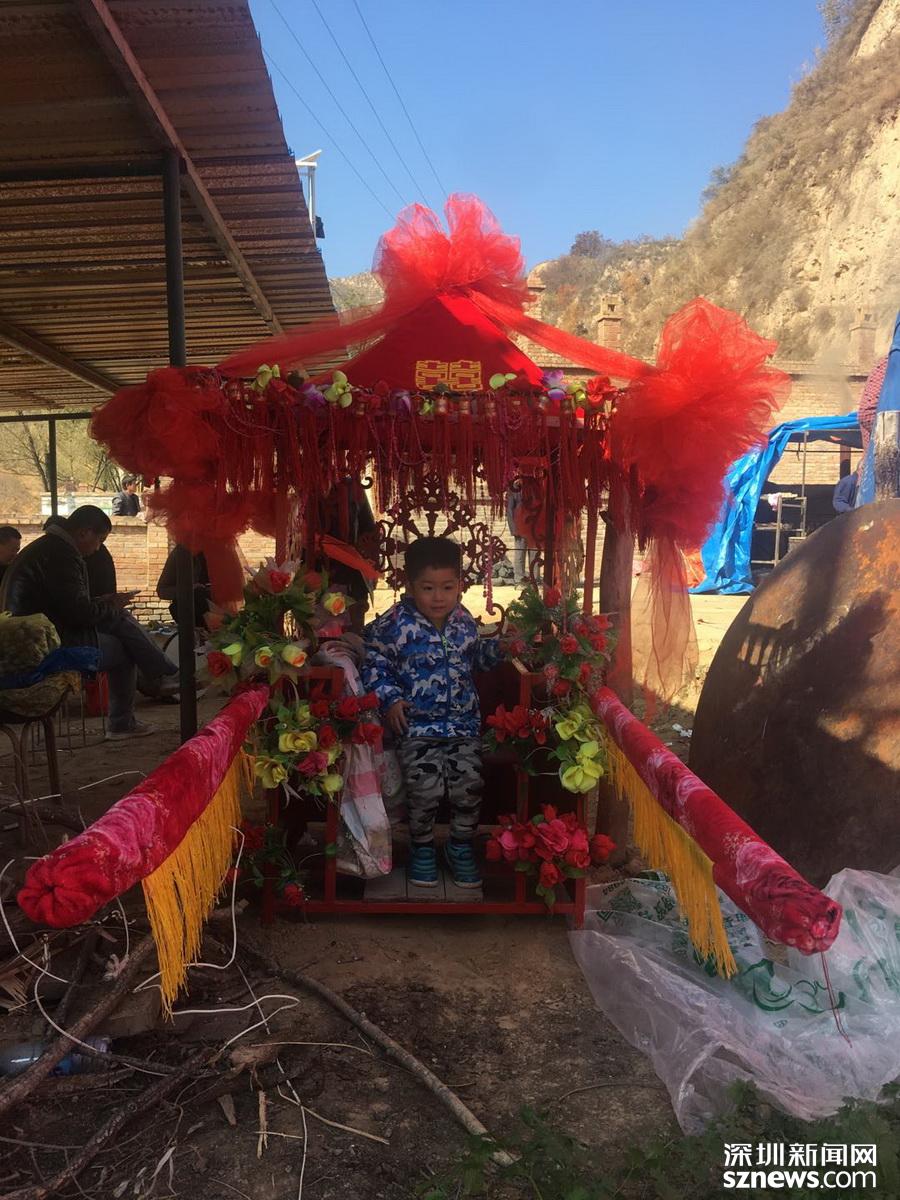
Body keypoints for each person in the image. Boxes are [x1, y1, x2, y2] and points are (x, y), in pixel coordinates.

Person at [362, 537, 502, 889]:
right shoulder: (394, 625)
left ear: (459, 585)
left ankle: (460, 846)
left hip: (463, 726)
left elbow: (476, 659)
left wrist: (502, 648)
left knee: (468, 789)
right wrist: (390, 700)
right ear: (410, 586)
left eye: (447, 587)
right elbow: (374, 664)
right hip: (417, 728)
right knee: (424, 791)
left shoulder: (464, 621)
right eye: (428, 588)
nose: (438, 597)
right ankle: (422, 847)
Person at [0, 505, 178, 739]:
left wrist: (105, 603)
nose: (98, 548)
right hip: (40, 647)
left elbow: (67, 605)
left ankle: (162, 676)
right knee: (124, 646)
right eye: (99, 540)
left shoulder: (50, 547)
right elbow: (78, 614)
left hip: (39, 635)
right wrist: (109, 605)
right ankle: (126, 718)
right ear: (84, 532)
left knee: (120, 618)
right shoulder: (61, 555)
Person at [156, 547, 211, 628]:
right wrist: (190, 588)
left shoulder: (224, 549)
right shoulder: (182, 552)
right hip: (193, 616)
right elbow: (162, 591)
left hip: (222, 616)